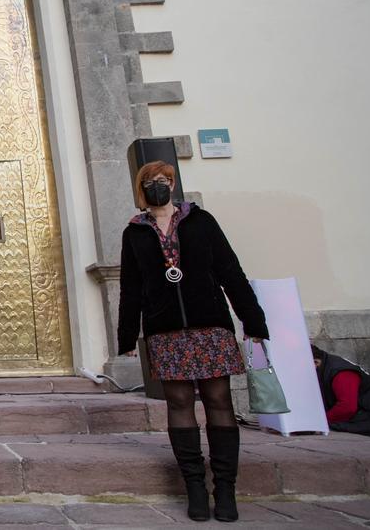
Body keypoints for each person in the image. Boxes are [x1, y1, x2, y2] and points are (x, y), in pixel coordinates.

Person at [116, 161, 268, 523]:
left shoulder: (202, 222)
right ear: (142, 189)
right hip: (166, 331)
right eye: (152, 182)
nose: (159, 186)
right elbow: (131, 288)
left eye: (164, 180)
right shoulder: (135, 233)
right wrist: (126, 337)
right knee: (179, 401)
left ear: (173, 184)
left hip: (209, 327)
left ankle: (226, 490)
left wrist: (253, 319)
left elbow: (230, 271)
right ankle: (195, 488)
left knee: (219, 400)